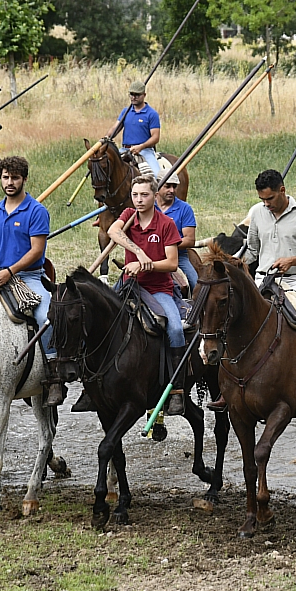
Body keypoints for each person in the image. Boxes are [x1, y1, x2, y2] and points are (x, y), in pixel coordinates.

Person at [207, 169, 296, 412]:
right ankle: (228, 387)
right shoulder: (258, 213)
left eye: (269, 199)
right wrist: (234, 262)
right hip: (263, 279)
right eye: (262, 199)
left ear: (282, 190)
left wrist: (295, 260)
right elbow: (253, 250)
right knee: (230, 316)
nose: (266, 204)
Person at [0, 156, 57, 403]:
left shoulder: (36, 211)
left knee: (46, 317)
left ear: (25, 179)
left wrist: (9, 271)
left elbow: (36, 251)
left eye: (15, 178)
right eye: (6, 177)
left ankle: (54, 373)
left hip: (29, 277)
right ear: (0, 178)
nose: (10, 182)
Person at [107, 175, 186, 415]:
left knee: (175, 329)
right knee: (99, 316)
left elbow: (172, 263)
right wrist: (139, 252)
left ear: (155, 196)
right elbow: (112, 231)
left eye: (144, 195)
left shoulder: (166, 224)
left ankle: (177, 390)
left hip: (157, 289)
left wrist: (144, 265)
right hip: (129, 285)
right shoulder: (128, 215)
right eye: (135, 195)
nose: (139, 200)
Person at [104, 80, 162, 180]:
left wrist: (141, 146)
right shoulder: (126, 111)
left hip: (145, 151)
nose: (133, 97)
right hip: (125, 150)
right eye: (131, 94)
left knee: (158, 176)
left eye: (137, 95)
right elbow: (115, 128)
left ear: (144, 95)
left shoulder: (152, 114)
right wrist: (106, 137)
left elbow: (155, 137)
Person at [156, 172, 198, 292]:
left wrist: (167, 246)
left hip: (178, 256)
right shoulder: (148, 206)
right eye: (167, 186)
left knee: (196, 284)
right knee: (124, 282)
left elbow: (189, 240)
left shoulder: (185, 208)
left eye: (174, 186)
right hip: (150, 254)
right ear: (157, 186)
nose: (172, 190)